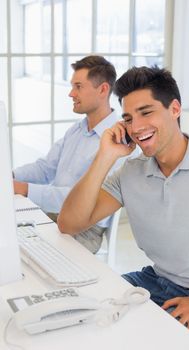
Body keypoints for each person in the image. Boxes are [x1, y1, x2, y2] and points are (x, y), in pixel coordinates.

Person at [57, 65, 189, 348]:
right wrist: (105, 155)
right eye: (128, 118)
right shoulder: (131, 172)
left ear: (175, 109)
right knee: (82, 316)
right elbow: (69, 223)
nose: (136, 127)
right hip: (156, 280)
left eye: (146, 112)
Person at [13, 55, 127, 254]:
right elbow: (45, 168)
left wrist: (24, 189)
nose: (71, 94)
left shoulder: (118, 143)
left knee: (18, 252)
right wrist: (11, 177)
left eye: (78, 87)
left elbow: (81, 203)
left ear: (102, 90)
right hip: (53, 214)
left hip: (84, 228)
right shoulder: (76, 130)